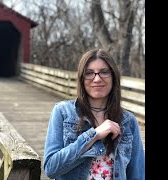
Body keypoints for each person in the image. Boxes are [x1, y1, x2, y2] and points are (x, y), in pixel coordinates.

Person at [43, 49, 145, 180]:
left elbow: (138, 175)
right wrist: (93, 135)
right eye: (89, 73)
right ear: (81, 78)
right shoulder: (62, 112)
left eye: (104, 72)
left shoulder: (128, 121)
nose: (97, 79)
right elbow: (51, 168)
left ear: (113, 76)